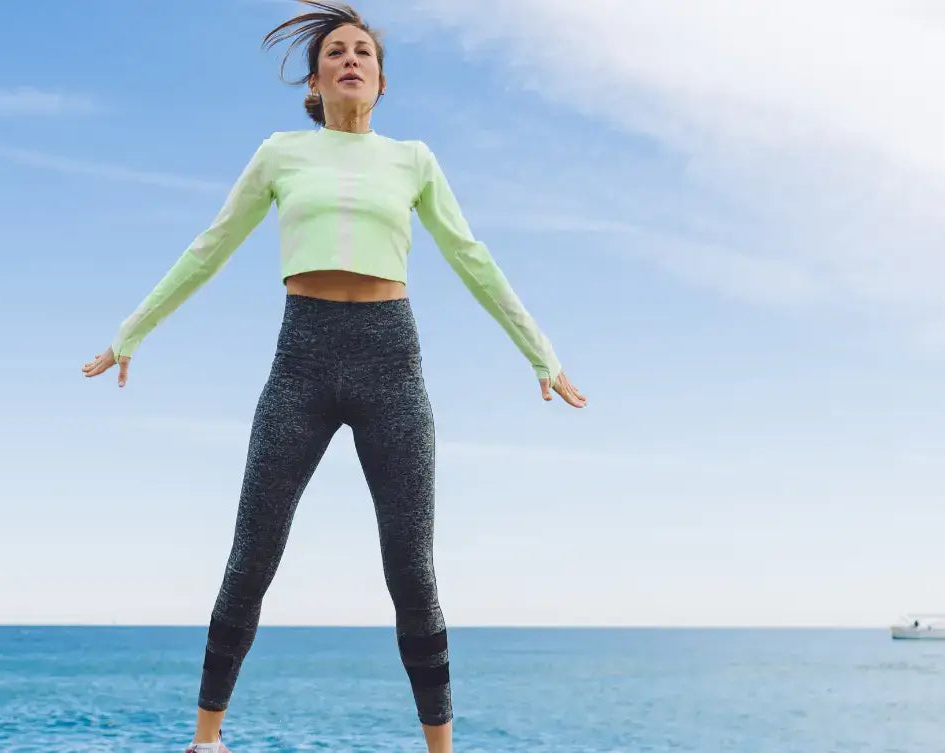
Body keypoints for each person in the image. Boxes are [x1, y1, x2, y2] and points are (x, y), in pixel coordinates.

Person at [81, 3, 586, 751]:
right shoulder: (281, 153)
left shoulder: (413, 160)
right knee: (253, 553)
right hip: (302, 360)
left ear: (380, 81)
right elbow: (210, 246)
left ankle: (441, 749)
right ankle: (207, 740)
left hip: (392, 363)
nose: (351, 59)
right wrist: (131, 333)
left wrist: (540, 352)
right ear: (315, 82)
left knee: (411, 569)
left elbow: (471, 256)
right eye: (335, 52)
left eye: (363, 53)